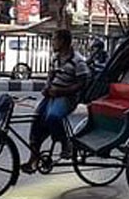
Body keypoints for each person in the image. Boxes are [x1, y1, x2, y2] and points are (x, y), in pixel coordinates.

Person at [22, 29, 90, 172]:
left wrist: (62, 91)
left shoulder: (77, 61)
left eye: (55, 40)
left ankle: (66, 144)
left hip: (67, 98)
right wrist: (47, 88)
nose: (52, 43)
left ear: (63, 42)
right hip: (52, 95)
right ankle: (33, 158)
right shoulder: (55, 58)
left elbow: (83, 83)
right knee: (36, 122)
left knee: (52, 117)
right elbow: (50, 77)